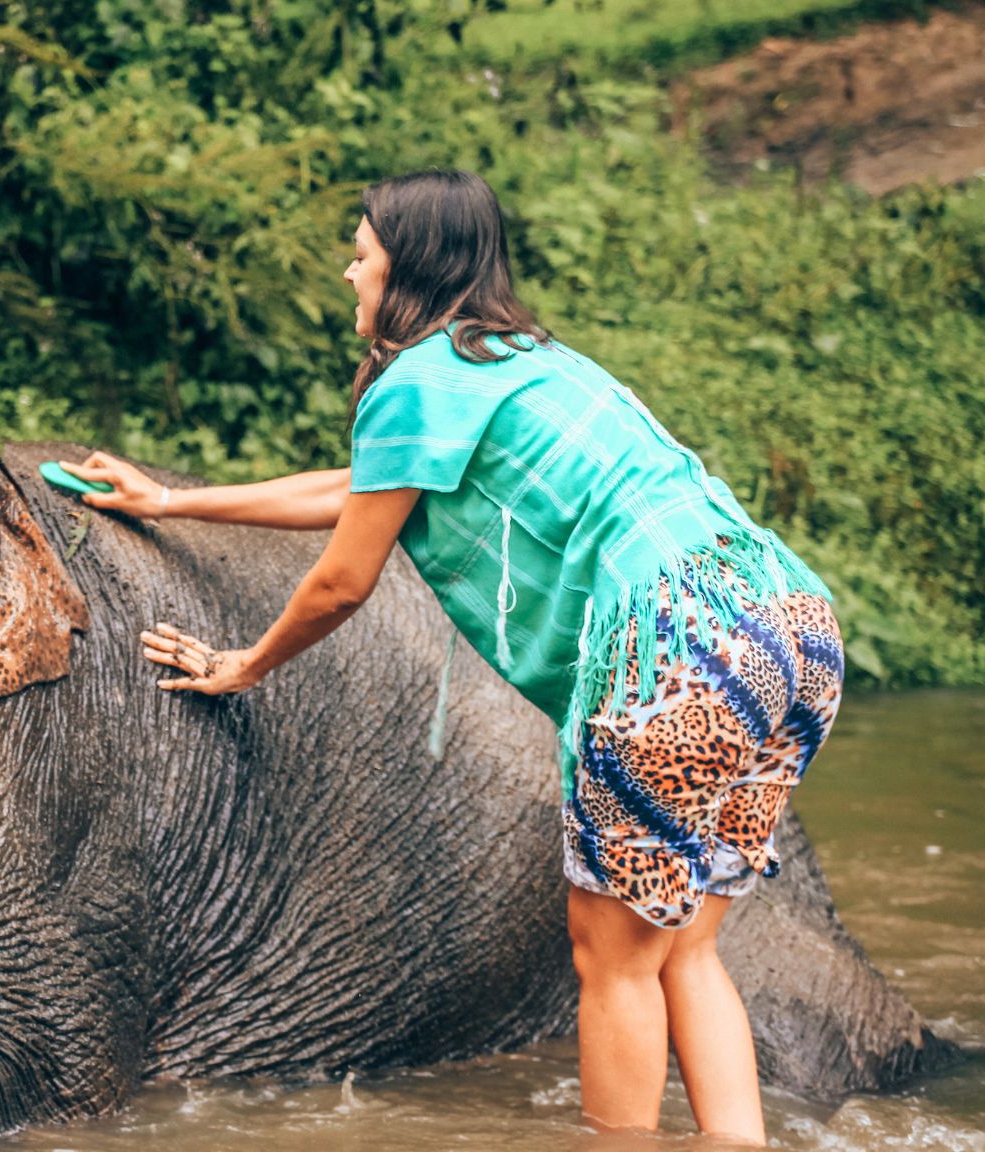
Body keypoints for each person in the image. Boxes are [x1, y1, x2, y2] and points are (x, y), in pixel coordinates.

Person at [59, 168, 843, 1145]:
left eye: (360, 253)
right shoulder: (528, 361)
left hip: (672, 644)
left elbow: (342, 580)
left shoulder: (415, 381)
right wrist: (171, 501)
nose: (347, 272)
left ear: (408, 266)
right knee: (681, 954)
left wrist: (243, 663)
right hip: (790, 625)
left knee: (613, 967)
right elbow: (367, 489)